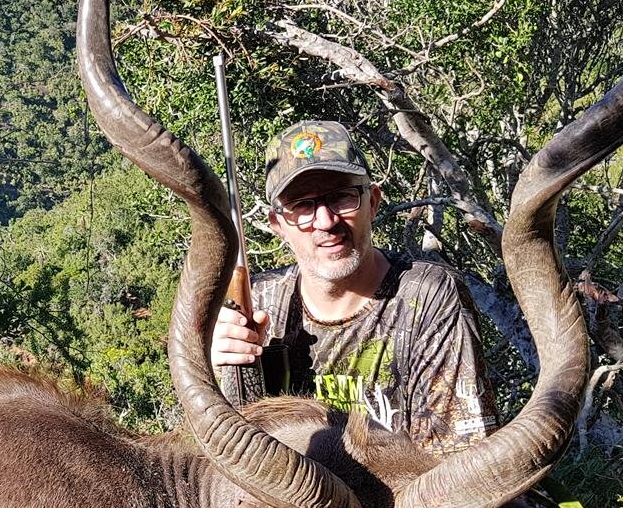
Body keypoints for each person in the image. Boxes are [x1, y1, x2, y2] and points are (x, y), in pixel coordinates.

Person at [212, 120, 498, 455]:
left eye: (342, 198)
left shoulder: (427, 296)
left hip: (403, 501)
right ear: (278, 225)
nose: (326, 221)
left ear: (373, 202)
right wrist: (218, 373)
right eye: (302, 206)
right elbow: (231, 457)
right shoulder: (255, 305)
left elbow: (458, 460)